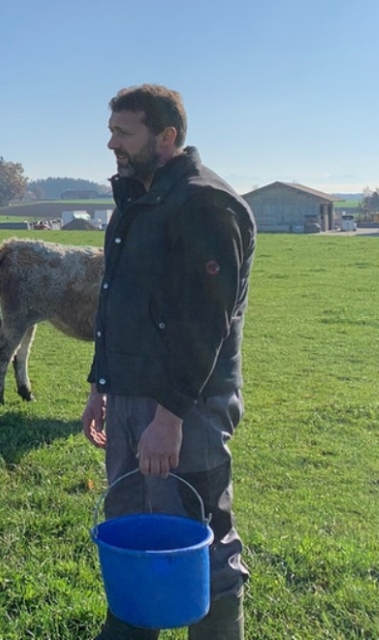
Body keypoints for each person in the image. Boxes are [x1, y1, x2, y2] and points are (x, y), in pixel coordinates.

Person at [81, 85, 256, 640]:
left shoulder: (206, 203)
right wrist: (100, 385)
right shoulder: (139, 197)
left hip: (189, 404)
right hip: (131, 398)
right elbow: (118, 300)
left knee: (199, 532)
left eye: (123, 132)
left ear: (167, 137)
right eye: (111, 130)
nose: (112, 143)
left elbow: (207, 324)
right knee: (132, 524)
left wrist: (170, 418)